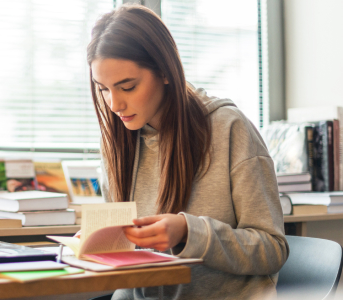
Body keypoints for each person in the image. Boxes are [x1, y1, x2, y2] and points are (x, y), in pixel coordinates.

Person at [84, 4, 289, 300]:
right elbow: (128, 256)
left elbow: (272, 250)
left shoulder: (228, 129)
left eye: (127, 87)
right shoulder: (118, 141)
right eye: (102, 89)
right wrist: (99, 244)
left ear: (166, 72)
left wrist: (190, 233)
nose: (114, 104)